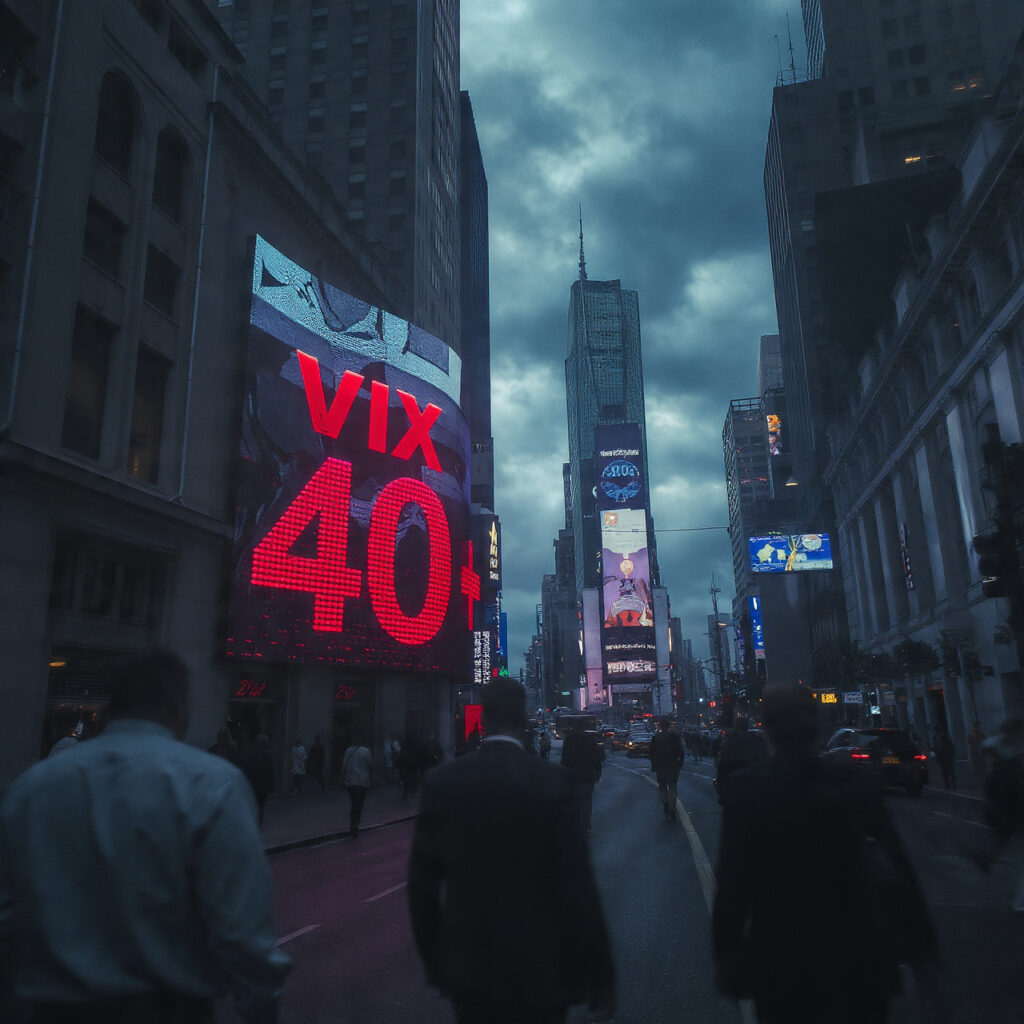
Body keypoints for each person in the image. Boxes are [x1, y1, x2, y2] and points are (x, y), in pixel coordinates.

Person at [0, 649, 290, 1023]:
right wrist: (260, 1007)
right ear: (178, 704)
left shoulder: (33, 787)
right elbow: (243, 929)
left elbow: (6, 913)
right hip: (165, 1009)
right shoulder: (210, 785)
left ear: (113, 705)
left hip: (51, 1009)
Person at [713, 685, 941, 1024]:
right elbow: (899, 874)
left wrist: (727, 962)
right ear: (817, 727)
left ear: (767, 729)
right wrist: (923, 959)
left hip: (783, 967)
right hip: (861, 960)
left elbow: (732, 890)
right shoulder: (853, 782)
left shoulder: (747, 791)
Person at [408, 679, 615, 1024]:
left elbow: (421, 888)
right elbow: (579, 888)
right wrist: (601, 977)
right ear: (525, 719)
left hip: (471, 969)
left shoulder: (442, 783)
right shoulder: (553, 783)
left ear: (483, 720)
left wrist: (436, 961)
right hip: (542, 967)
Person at [975, 718, 1024, 911]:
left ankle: (986, 858)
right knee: (1003, 836)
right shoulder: (1005, 749)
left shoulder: (1007, 751)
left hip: (1009, 804)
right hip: (1011, 804)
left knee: (1001, 839)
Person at [714, 716, 769, 805]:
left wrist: (721, 794)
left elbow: (722, 768)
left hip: (736, 786)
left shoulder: (730, 743)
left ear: (736, 726)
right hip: (755, 785)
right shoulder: (757, 741)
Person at [560, 722, 603, 831]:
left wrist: (562, 774)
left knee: (575, 800)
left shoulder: (569, 741)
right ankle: (585, 823)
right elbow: (596, 758)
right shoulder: (590, 741)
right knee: (586, 801)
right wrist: (597, 772)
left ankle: (577, 823)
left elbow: (564, 759)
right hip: (587, 774)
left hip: (573, 775)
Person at [649, 718, 686, 821]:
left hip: (660, 766)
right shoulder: (674, 737)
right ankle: (672, 807)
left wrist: (653, 765)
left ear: (660, 726)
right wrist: (680, 762)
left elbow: (651, 753)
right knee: (673, 787)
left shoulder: (656, 738)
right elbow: (680, 751)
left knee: (662, 787)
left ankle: (665, 803)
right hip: (672, 766)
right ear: (669, 726)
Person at [342, 736, 374, 838]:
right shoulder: (366, 751)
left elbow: (344, 765)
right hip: (362, 782)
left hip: (350, 782)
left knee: (354, 804)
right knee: (359, 805)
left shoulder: (348, 751)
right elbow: (370, 765)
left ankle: (352, 826)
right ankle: (355, 827)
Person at [245, 734, 276, 826]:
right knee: (260, 805)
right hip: (262, 786)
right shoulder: (267, 754)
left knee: (253, 804)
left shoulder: (251, 753)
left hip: (253, 784)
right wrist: (271, 785)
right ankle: (258, 823)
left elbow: (247, 768)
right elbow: (270, 771)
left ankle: (253, 822)